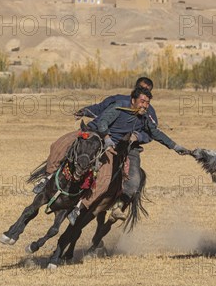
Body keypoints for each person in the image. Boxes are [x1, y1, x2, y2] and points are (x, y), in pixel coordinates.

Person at [34, 77, 159, 208]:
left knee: (133, 181)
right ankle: (48, 177)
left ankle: (117, 206)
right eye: (141, 88)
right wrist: (85, 111)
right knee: (62, 144)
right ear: (135, 89)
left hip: (127, 147)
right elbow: (100, 108)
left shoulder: (149, 112)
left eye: (147, 91)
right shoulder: (117, 100)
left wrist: (138, 136)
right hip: (98, 135)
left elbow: (152, 133)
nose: (143, 93)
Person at [68, 86, 187, 220]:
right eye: (142, 102)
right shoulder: (119, 106)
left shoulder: (145, 116)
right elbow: (102, 122)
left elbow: (155, 133)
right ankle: (48, 178)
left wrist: (175, 146)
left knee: (116, 178)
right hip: (100, 139)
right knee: (68, 149)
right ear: (133, 100)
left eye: (147, 103)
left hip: (119, 148)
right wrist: (106, 139)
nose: (145, 106)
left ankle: (86, 206)